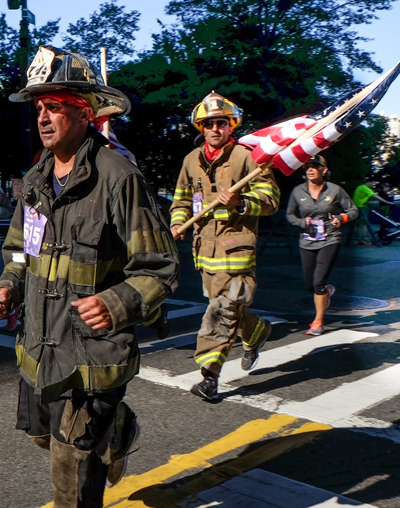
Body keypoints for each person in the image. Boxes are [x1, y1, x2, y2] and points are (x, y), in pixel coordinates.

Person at [0, 46, 179, 508]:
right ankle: (116, 428)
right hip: (39, 347)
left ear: (83, 113)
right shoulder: (36, 179)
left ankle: (101, 431)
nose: (42, 117)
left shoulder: (119, 177)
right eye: (39, 108)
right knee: (41, 435)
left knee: (72, 474)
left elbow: (160, 267)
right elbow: (20, 250)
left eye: (54, 106)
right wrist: (9, 284)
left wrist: (116, 303)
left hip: (91, 356)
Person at [170, 92, 280, 401]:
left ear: (232, 126)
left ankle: (210, 377)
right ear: (200, 128)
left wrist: (241, 201)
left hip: (238, 256)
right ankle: (257, 332)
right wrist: (178, 223)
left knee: (220, 312)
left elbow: (271, 200)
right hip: (205, 255)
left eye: (222, 123)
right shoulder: (191, 161)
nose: (215, 129)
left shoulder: (247, 157)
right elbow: (181, 199)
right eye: (209, 124)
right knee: (229, 311)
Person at [286, 155, 358, 335]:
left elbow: (353, 210)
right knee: (310, 285)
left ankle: (317, 322)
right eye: (307, 167)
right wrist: (302, 223)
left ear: (324, 170)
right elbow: (290, 215)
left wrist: (341, 218)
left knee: (318, 282)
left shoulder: (335, 190)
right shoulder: (298, 192)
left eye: (315, 166)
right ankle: (326, 291)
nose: (310, 170)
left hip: (330, 238)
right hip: (307, 241)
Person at [349, 180, 395, 245]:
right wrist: (387, 202)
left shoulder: (359, 187)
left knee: (358, 224)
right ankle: (364, 238)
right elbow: (375, 196)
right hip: (362, 207)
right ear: (368, 182)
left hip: (355, 207)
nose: (373, 185)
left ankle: (358, 238)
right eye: (372, 183)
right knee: (365, 223)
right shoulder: (365, 188)